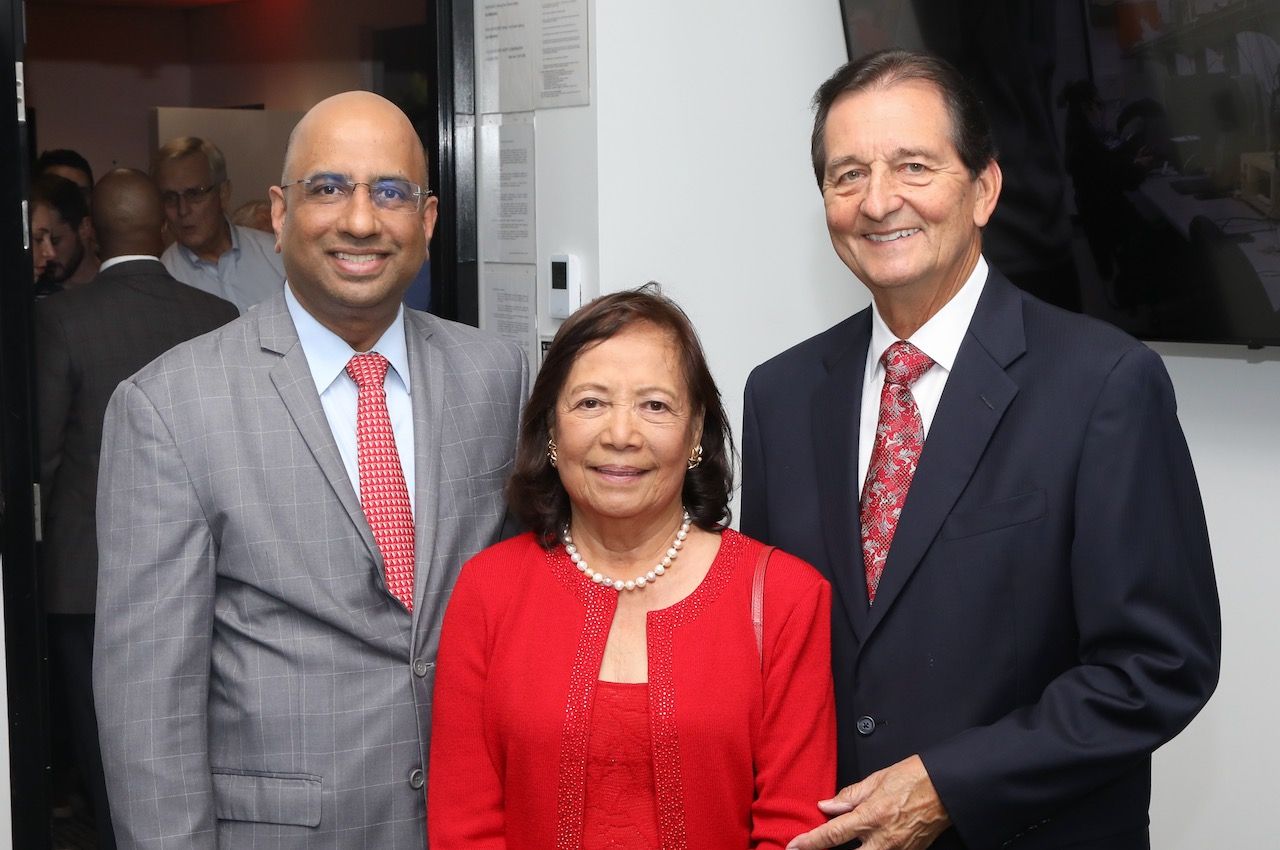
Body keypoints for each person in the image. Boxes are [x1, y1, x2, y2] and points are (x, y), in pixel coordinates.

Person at [740, 50, 1220, 850]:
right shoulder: (780, 395)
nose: (878, 201)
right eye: (846, 174)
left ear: (985, 188)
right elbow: (772, 646)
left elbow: (1157, 667)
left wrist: (948, 786)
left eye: (913, 166)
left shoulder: (1103, 384)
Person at [94, 91, 527, 848]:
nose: (360, 220)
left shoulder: (495, 376)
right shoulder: (167, 407)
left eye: (389, 192)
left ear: (425, 222)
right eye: (328, 189)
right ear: (279, 211)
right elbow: (148, 714)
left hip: (473, 824)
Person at [428, 286, 836, 849]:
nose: (621, 435)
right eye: (591, 403)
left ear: (695, 433)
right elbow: (464, 825)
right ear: (551, 429)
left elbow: (794, 832)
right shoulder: (487, 591)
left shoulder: (787, 597)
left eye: (655, 406)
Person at [37, 168, 239, 850]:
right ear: (162, 229)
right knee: (196, 733)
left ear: (90, 233)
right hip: (213, 564)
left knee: (105, 747)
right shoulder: (217, 317)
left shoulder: (61, 317)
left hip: (85, 572)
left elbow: (43, 453)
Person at [153, 136, 286, 311]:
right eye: (170, 198)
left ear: (223, 193)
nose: (182, 210)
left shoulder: (276, 255)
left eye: (194, 194)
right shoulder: (163, 279)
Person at [30, 173, 100, 296]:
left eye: (55, 240)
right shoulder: (26, 294)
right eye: (39, 239)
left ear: (85, 227)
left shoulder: (118, 286)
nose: (50, 253)